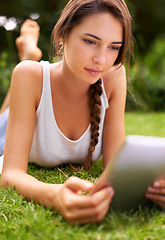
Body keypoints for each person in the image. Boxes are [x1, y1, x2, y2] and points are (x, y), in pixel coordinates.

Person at [0, 0, 163, 225]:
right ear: (62, 35)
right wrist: (55, 195)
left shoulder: (113, 76)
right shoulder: (29, 76)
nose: (101, 60)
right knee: (3, 119)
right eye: (90, 41)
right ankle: (28, 57)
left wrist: (153, 189)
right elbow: (10, 175)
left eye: (114, 47)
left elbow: (116, 170)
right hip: (10, 129)